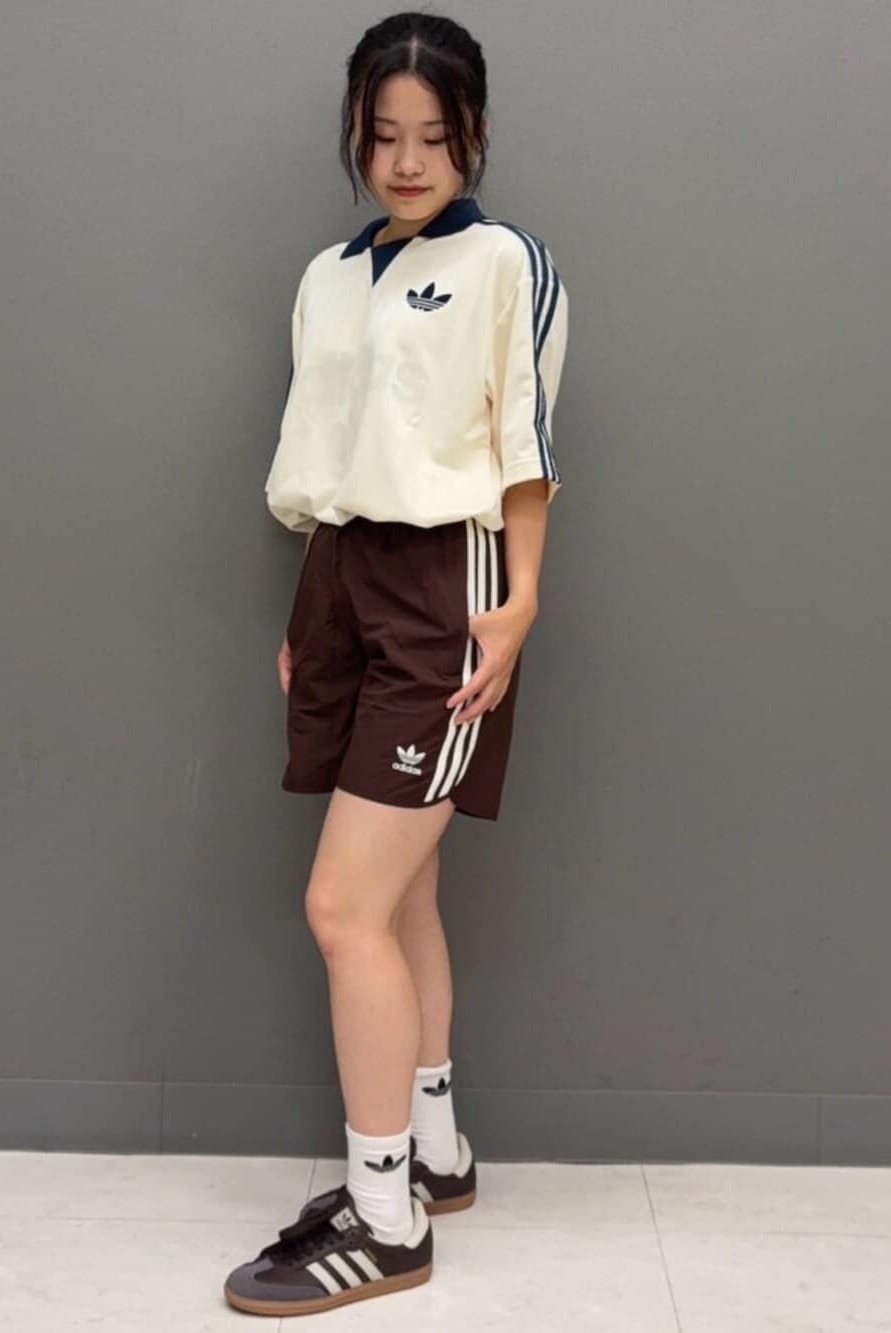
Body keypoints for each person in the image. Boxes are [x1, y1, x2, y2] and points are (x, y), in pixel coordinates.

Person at [224, 9, 569, 1319]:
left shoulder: (505, 263)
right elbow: (326, 448)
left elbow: (524, 442)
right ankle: (435, 1150)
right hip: (342, 581)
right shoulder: (328, 275)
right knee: (404, 894)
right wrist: (309, 615)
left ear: (474, 134)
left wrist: (520, 603)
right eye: (383, 136)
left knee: (344, 908)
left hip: (446, 587)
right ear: (356, 138)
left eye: (435, 134)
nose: (408, 161)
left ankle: (385, 1221)